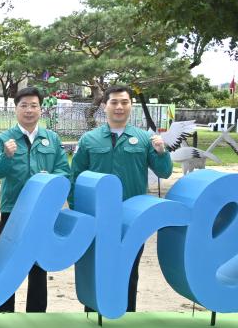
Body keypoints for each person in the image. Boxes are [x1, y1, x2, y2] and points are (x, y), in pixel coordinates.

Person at [71, 84, 173, 312]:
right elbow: (75, 176)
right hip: (96, 214)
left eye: (124, 102)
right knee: (97, 266)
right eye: (114, 102)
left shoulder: (145, 138)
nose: (119, 107)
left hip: (131, 217)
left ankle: (127, 316)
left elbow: (164, 172)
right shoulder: (89, 139)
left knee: (129, 268)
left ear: (131, 106)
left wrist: (161, 152)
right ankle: (93, 313)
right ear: (104, 106)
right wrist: (78, 210)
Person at [0, 86, 71, 312]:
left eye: (34, 105)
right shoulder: (5, 138)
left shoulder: (51, 138)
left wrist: (50, 179)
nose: (29, 110)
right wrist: (6, 156)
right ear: (15, 109)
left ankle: (37, 314)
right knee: (7, 262)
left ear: (40, 109)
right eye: (24, 105)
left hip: (43, 211)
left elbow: (65, 171)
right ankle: (4, 312)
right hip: (13, 210)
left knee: (38, 264)